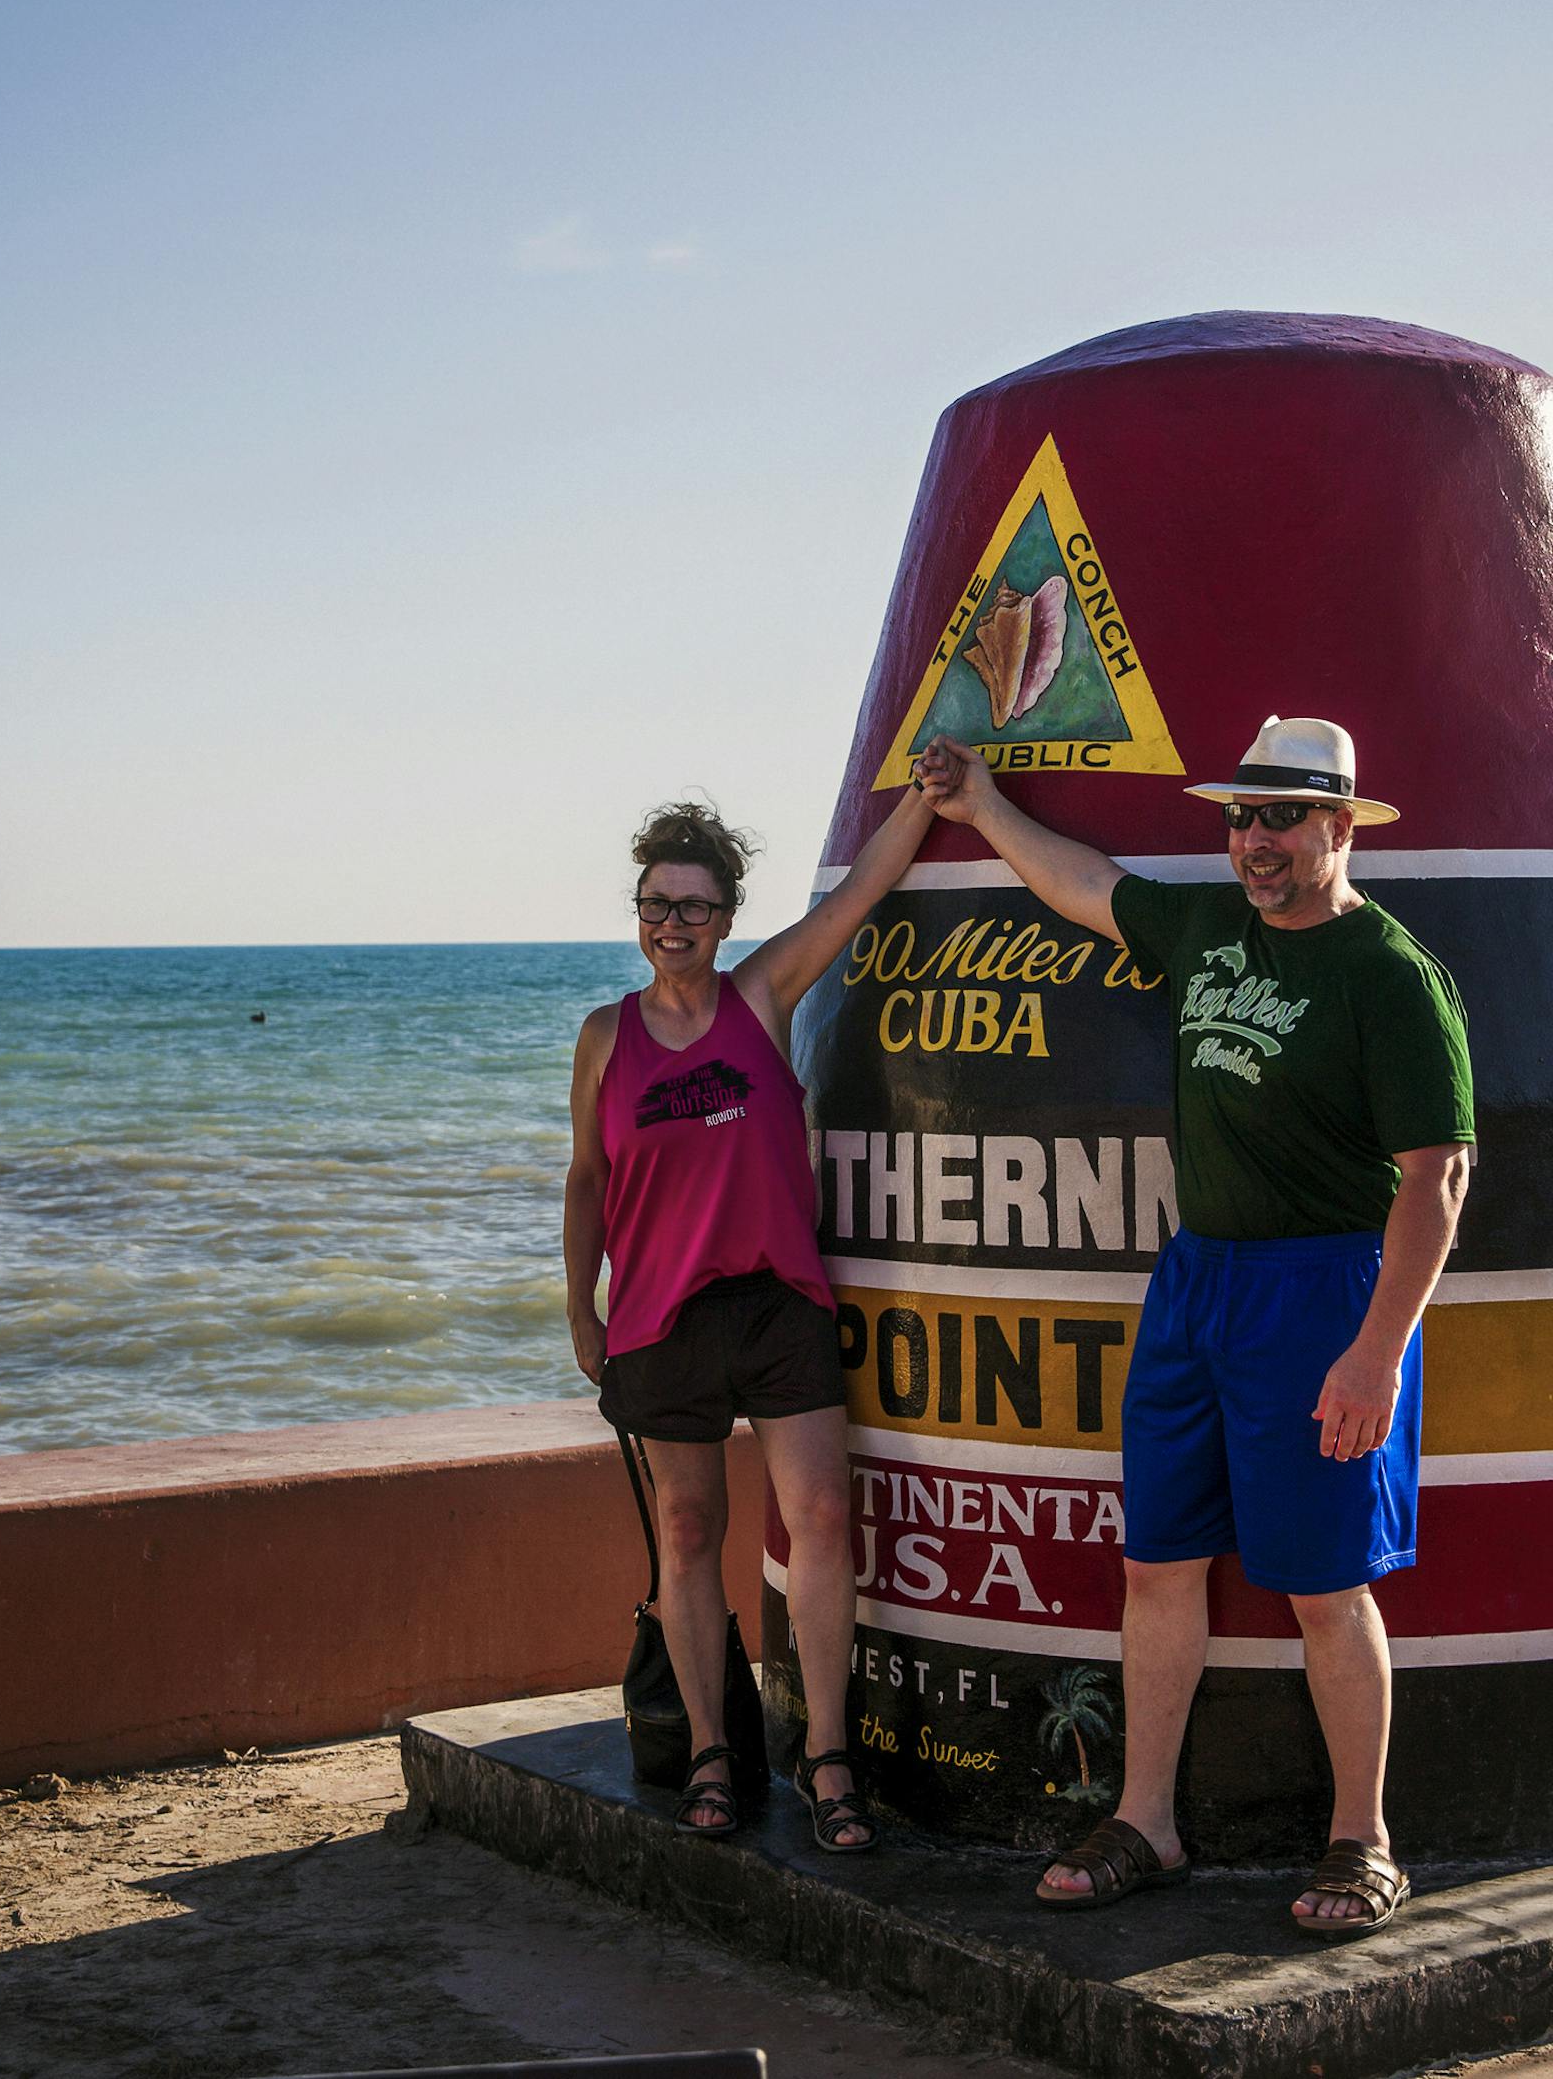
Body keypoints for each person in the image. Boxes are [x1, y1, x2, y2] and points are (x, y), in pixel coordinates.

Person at [918, 716, 1471, 1937]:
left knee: (1326, 1586)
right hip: (1197, 1285)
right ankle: (1148, 1820)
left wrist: (1376, 1348)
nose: (1255, 842)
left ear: (1340, 823)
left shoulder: (1389, 973)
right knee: (1156, 1560)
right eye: (1240, 817)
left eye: (1281, 817)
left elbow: (1437, 1176)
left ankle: (1363, 1838)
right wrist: (985, 806)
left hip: (1324, 1294)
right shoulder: (1211, 925)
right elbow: (1084, 886)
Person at [565, 784, 935, 1844]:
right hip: (657, 1314)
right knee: (687, 1533)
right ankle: (714, 1756)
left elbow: (862, 894)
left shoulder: (763, 994)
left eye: (692, 907)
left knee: (821, 1517)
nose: (670, 925)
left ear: (727, 919)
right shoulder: (602, 1038)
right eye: (654, 905)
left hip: (779, 1303)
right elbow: (586, 1181)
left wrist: (927, 794)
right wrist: (578, 1306)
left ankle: (827, 1759)